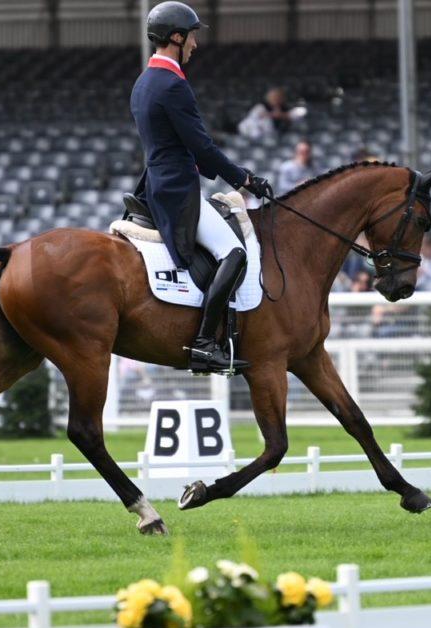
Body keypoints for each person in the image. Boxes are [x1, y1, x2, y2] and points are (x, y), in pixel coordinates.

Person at [132, 1, 272, 372]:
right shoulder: (172, 84)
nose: (195, 43)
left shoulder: (144, 81)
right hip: (177, 190)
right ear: (176, 37)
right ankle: (205, 343)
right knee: (234, 253)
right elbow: (202, 148)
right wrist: (245, 179)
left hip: (156, 184)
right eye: (192, 36)